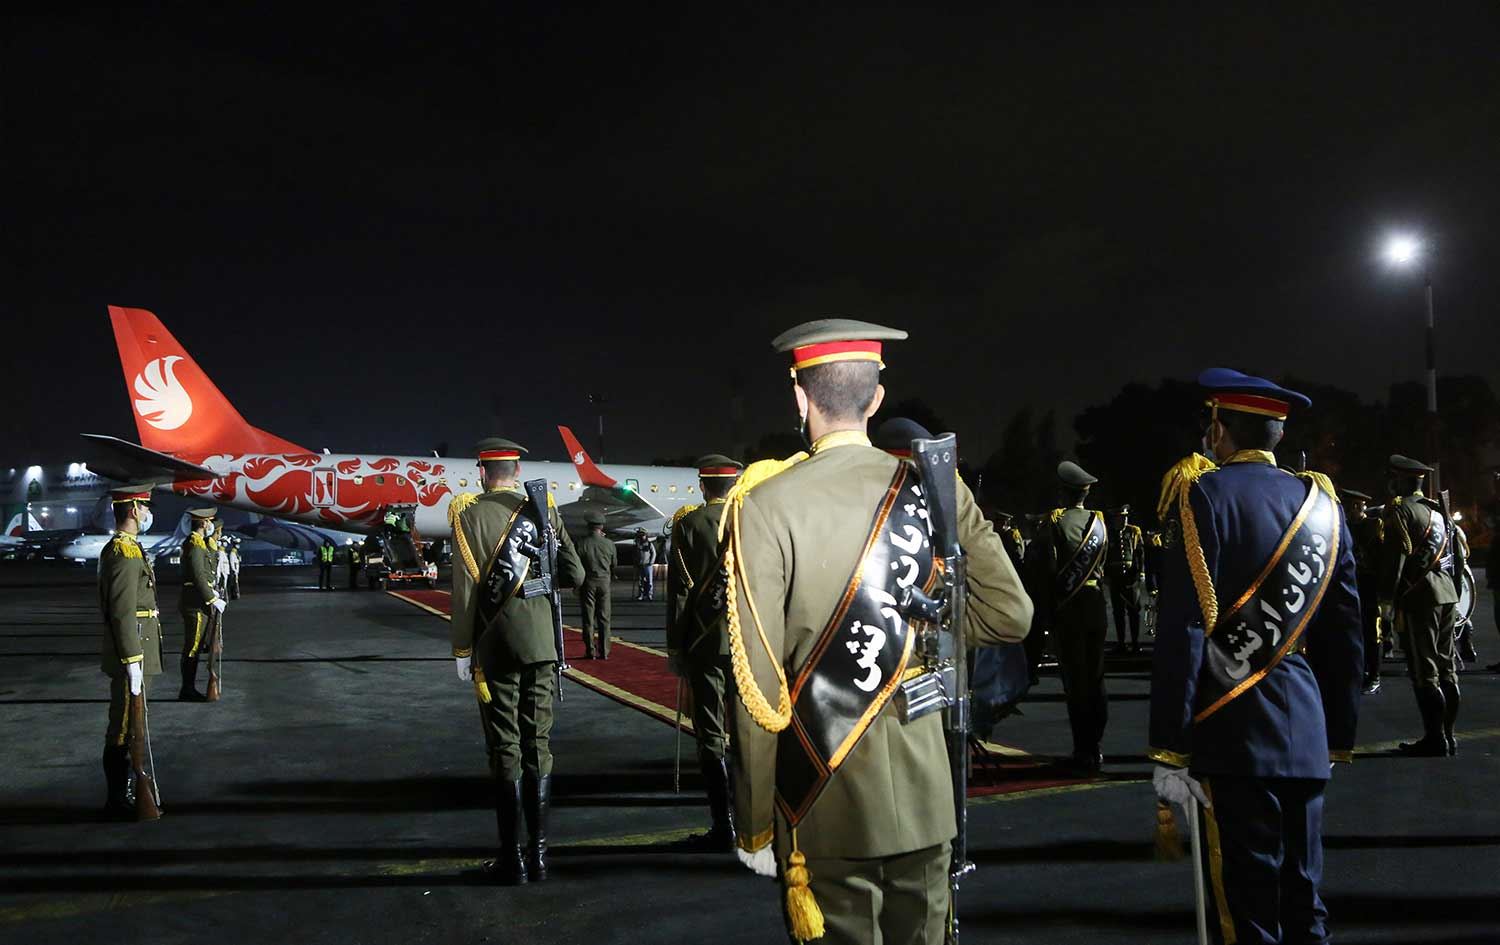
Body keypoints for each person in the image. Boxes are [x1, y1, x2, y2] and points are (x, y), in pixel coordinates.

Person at [725, 319, 1033, 945]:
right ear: (875, 400)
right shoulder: (935, 494)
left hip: (823, 803)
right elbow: (1010, 615)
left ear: (800, 398)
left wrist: (756, 823)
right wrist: (923, 637)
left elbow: (756, 686)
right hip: (926, 798)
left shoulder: (764, 504)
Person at [1150, 368, 1362, 945]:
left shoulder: (1205, 495)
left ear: (1219, 426)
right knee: (1304, 901)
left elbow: (1186, 630)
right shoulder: (1322, 503)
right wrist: (1337, 731)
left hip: (1233, 727)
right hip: (1307, 730)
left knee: (1245, 912)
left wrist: (1171, 746)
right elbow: (1345, 634)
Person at [449, 437, 584, 885]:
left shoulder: (468, 515)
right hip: (543, 643)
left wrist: (462, 648)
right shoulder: (543, 510)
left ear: (481, 471)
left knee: (505, 746)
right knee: (538, 743)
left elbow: (467, 591)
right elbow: (576, 573)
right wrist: (543, 582)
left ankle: (513, 859)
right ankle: (540, 857)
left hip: (496, 645)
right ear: (517, 471)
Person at [665, 453, 744, 851]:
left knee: (711, 732)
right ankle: (754, 822)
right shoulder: (752, 521)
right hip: (749, 645)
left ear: (703, 486)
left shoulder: (689, 524)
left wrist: (676, 646)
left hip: (704, 643)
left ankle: (723, 825)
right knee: (749, 733)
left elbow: (680, 592)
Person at [1026, 460, 1111, 772]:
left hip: (1070, 608)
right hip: (1096, 606)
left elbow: (1043, 570)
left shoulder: (1055, 523)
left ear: (1063, 492)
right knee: (1096, 678)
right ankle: (1097, 746)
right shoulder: (1100, 523)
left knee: (1076, 682)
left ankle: (1083, 750)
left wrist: (1045, 614)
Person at [1379, 454, 1462, 755]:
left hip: (1420, 597)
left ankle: (1434, 738)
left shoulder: (1402, 511)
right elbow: (1458, 555)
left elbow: (1395, 560)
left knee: (1425, 670)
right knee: (1447, 667)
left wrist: (1386, 602)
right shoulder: (1439, 510)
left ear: (1399, 480)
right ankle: (1449, 735)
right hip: (1448, 593)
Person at [98, 485, 166, 820]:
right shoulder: (123, 552)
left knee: (132, 725)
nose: (148, 514)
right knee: (124, 727)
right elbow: (122, 610)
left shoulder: (130, 549)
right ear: (134, 509)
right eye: (145, 507)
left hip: (139, 649)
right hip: (133, 652)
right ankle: (117, 800)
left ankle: (124, 794)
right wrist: (131, 658)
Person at [178, 508, 227, 701]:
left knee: (196, 647)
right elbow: (198, 575)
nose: (211, 526)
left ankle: (188, 688)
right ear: (204, 523)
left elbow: (207, 574)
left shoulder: (199, 544)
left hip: (198, 600)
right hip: (195, 603)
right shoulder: (194, 544)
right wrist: (212, 598)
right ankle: (187, 689)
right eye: (209, 522)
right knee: (192, 647)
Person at [1341, 489, 1386, 694]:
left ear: (1358, 507)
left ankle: (1374, 675)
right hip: (1353, 586)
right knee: (1355, 632)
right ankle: (1360, 672)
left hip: (1370, 587)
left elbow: (1381, 559)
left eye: (1350, 507)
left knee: (1372, 634)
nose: (1347, 511)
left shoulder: (1373, 526)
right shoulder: (1347, 526)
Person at [1106, 504, 1147, 655]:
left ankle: (1135, 643)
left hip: (1131, 577)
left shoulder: (1133, 531)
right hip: (1115, 577)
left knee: (1134, 610)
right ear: (1115, 519)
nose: (1123, 520)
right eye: (1120, 518)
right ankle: (1121, 643)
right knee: (1118, 611)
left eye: (1125, 517)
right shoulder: (1108, 533)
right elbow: (1104, 555)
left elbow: (1140, 553)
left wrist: (1141, 572)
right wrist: (1106, 575)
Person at [576, 513, 616, 659]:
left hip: (588, 582)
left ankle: (590, 651)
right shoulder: (609, 544)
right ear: (602, 526)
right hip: (604, 582)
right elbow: (614, 564)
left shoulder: (581, 543)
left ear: (588, 526)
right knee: (604, 618)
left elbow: (577, 565)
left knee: (588, 618)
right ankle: (604, 651)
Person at [633, 528, 657, 601]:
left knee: (649, 581)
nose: (642, 537)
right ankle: (641, 595)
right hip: (640, 565)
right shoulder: (637, 544)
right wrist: (635, 562)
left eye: (643, 535)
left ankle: (650, 595)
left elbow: (654, 553)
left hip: (648, 565)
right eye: (640, 535)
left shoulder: (649, 544)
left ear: (646, 536)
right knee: (641, 581)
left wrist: (651, 562)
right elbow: (635, 554)